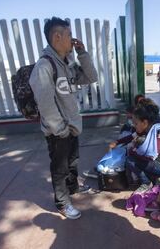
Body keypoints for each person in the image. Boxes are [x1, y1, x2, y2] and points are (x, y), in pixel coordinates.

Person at [29, 17, 98, 220]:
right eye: (69, 35)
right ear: (57, 37)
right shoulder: (45, 65)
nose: (72, 38)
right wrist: (60, 130)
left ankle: (73, 189)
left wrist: (82, 53)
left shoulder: (66, 64)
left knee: (73, 162)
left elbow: (91, 77)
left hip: (71, 127)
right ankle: (62, 203)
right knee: (59, 169)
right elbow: (45, 103)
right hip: (58, 131)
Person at [109, 98, 160, 191]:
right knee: (131, 158)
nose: (133, 125)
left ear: (145, 122)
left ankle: (146, 182)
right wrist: (117, 142)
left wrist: (133, 151)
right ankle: (148, 179)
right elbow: (131, 137)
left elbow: (150, 157)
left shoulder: (156, 134)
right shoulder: (144, 130)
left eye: (136, 123)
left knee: (131, 160)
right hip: (155, 163)